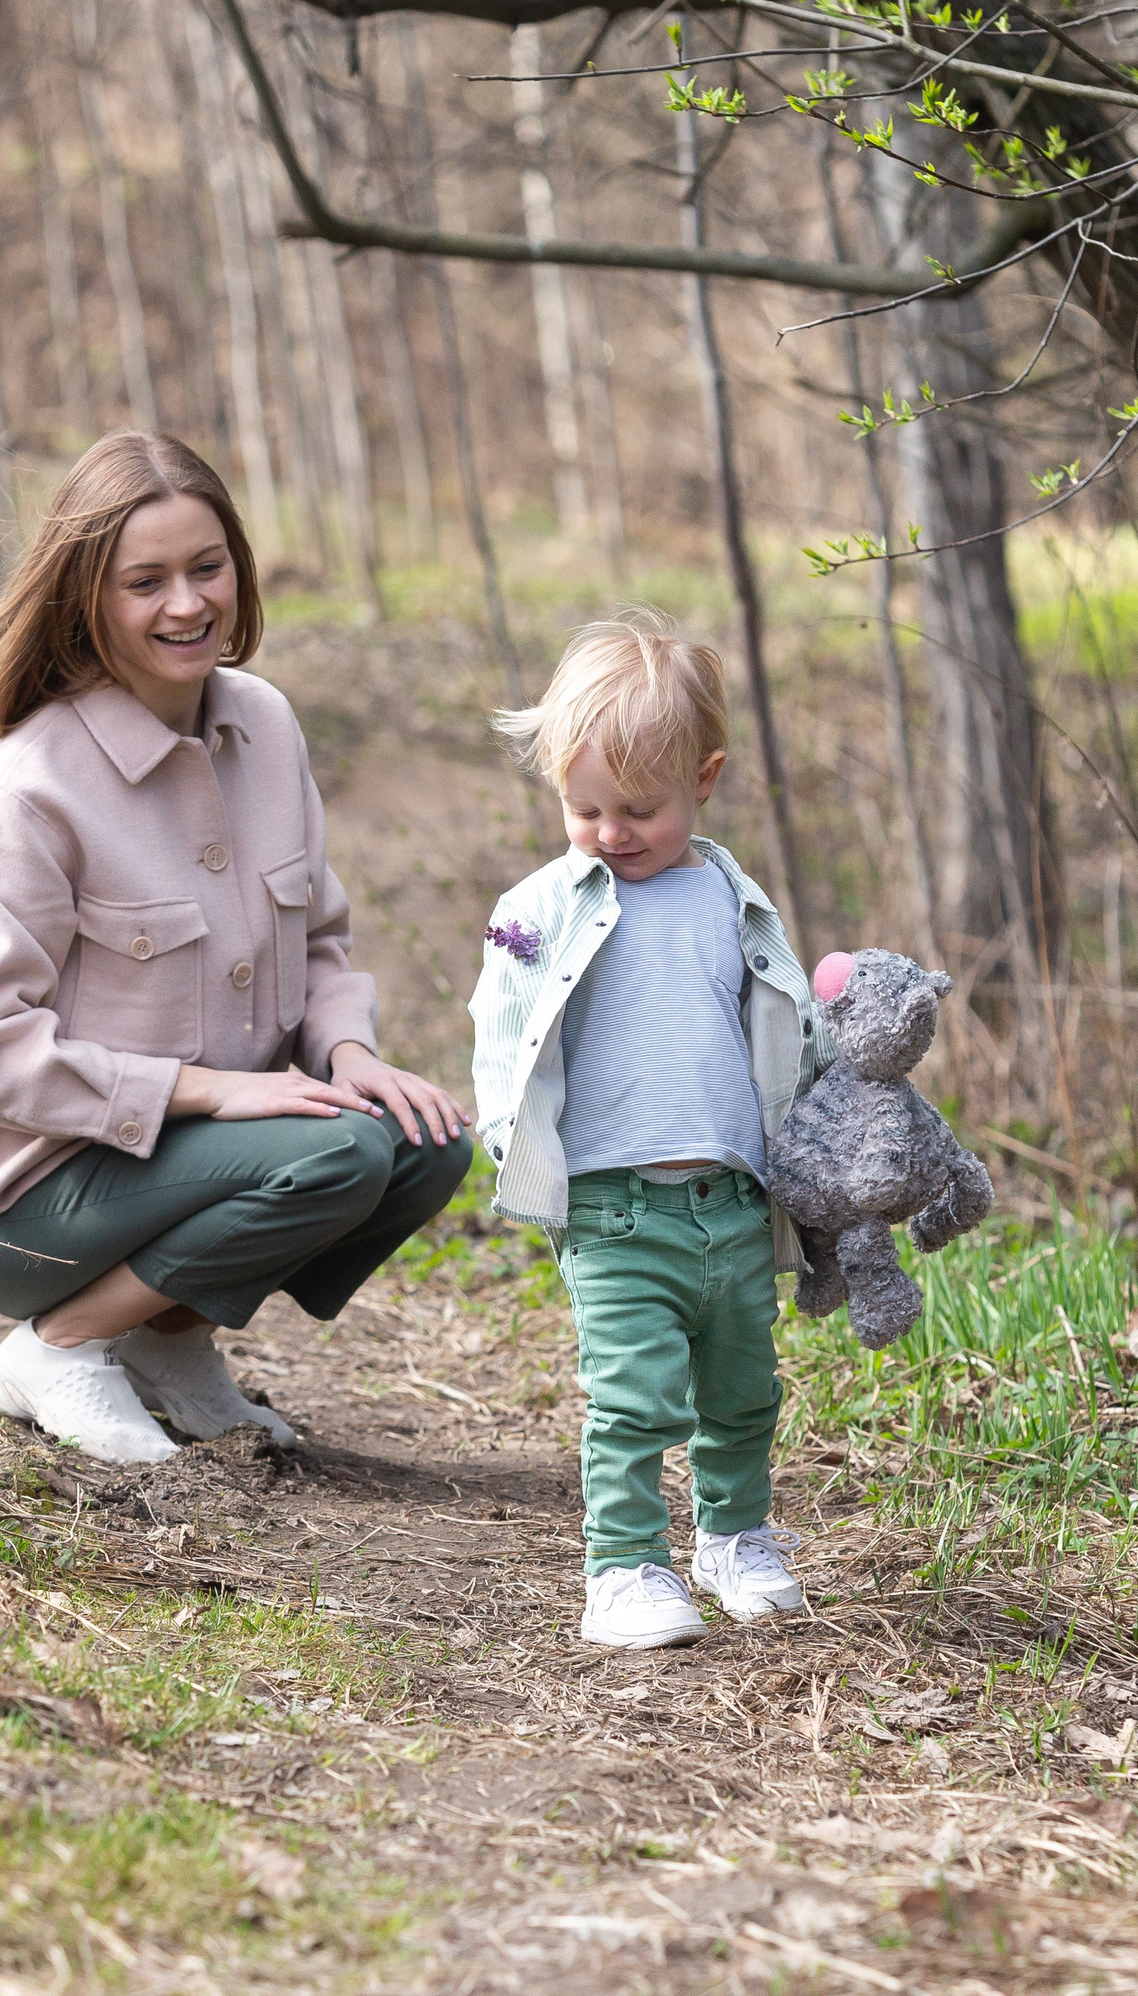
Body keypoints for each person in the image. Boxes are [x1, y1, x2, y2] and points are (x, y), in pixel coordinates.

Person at [0, 431, 472, 1466]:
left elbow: (323, 942)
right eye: (146, 580)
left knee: (419, 1139)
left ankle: (171, 1346)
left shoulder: (265, 723)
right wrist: (211, 1090)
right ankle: (61, 1343)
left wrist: (349, 1051)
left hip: (196, 1162)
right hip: (27, 1202)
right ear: (87, 595)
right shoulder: (29, 786)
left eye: (205, 567)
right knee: (340, 1149)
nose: (187, 603)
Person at [468, 617, 825, 1648]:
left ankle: (734, 1533)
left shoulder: (730, 900)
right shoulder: (540, 905)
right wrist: (510, 1138)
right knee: (631, 1400)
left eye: (639, 808)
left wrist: (832, 1121)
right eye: (583, 807)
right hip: (615, 1207)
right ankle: (621, 1566)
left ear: (703, 778)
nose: (610, 831)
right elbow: (501, 1024)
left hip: (730, 1199)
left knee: (742, 1388)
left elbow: (787, 1017)